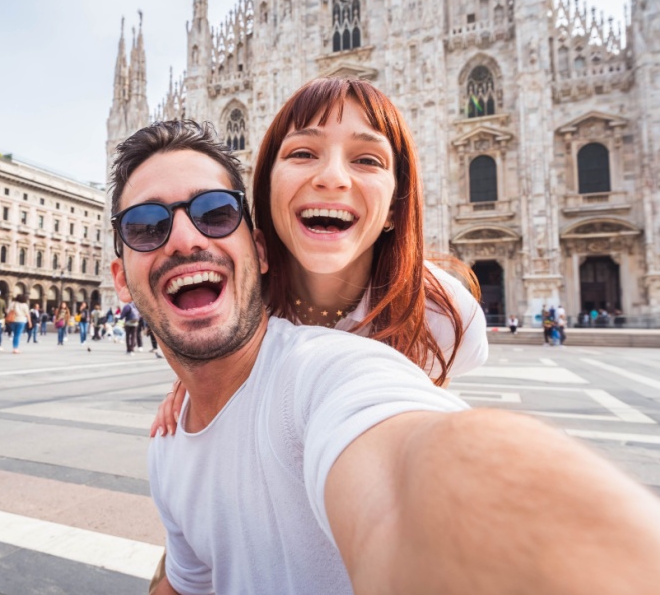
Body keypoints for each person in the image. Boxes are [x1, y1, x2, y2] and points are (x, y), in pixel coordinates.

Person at [107, 120, 660, 595]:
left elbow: (410, 468)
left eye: (214, 213)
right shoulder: (171, 442)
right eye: (145, 226)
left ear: (260, 249)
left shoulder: (330, 374)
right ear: (122, 282)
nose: (184, 237)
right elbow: (192, 590)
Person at [153, 77, 486, 436]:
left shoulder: (442, 315)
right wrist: (200, 373)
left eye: (367, 159)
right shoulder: (231, 295)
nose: (332, 177)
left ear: (394, 207)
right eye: (302, 153)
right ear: (265, 189)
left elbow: (425, 420)